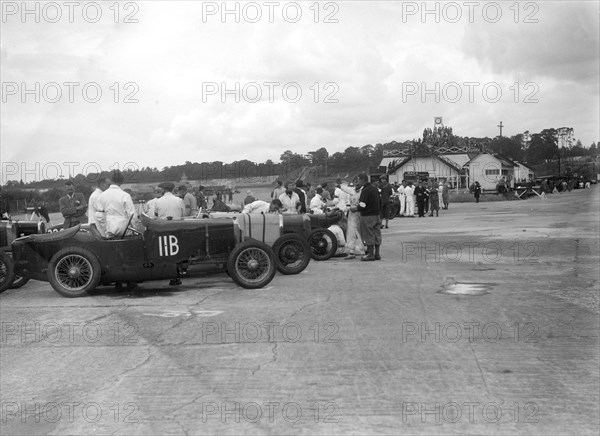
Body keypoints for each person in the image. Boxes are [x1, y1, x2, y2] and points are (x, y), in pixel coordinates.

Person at [96, 170, 135, 238]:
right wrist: (134, 229)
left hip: (109, 229)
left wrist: (105, 227)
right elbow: (132, 215)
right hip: (125, 231)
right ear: (122, 181)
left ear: (111, 181)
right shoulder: (125, 195)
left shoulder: (101, 196)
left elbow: (99, 215)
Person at [354, 173, 381, 261]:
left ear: (362, 180)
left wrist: (356, 208)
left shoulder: (365, 190)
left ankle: (370, 254)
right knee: (376, 233)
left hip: (367, 216)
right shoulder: (374, 189)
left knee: (368, 234)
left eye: (358, 180)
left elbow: (362, 204)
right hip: (376, 215)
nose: (357, 182)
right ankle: (377, 253)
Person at [340, 180, 365, 259]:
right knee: (350, 231)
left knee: (360, 231)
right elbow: (344, 188)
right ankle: (351, 251)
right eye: (355, 183)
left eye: (358, 182)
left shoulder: (363, 191)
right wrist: (339, 185)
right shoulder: (352, 190)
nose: (357, 184)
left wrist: (357, 208)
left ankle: (363, 250)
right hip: (351, 213)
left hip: (359, 212)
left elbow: (364, 203)